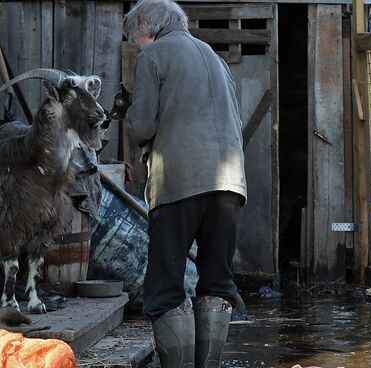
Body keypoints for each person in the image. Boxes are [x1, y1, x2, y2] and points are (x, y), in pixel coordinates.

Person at [122, 1, 247, 367]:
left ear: (147, 26)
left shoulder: (153, 56)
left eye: (134, 38)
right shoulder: (215, 58)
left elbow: (142, 125)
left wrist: (128, 115)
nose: (135, 45)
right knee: (217, 283)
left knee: (164, 286)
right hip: (229, 184)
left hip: (179, 181)